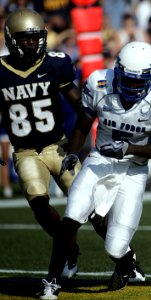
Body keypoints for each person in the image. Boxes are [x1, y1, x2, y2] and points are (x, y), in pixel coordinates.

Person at [40, 41, 151, 299]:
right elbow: (83, 125)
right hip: (100, 159)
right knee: (72, 214)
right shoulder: (99, 83)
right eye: (128, 80)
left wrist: (128, 149)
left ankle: (127, 265)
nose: (133, 86)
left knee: (115, 247)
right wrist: (73, 152)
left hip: (133, 171)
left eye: (140, 82)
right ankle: (52, 280)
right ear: (117, 71)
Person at [0, 7, 85, 282]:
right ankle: (69, 249)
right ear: (11, 39)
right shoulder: (1, 70)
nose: (32, 43)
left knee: (91, 207)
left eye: (36, 37)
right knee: (40, 206)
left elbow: (81, 106)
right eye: (25, 38)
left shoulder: (56, 63)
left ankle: (126, 259)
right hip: (26, 152)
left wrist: (77, 143)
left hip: (57, 146)